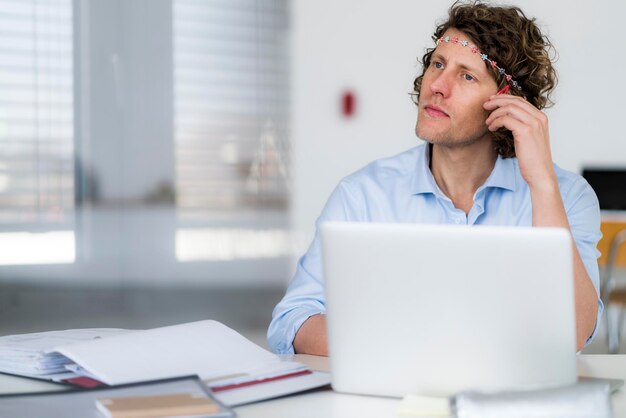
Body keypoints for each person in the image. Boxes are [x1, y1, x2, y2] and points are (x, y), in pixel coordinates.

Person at [268, 0, 602, 355]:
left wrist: (542, 183)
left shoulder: (566, 196)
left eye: (466, 75)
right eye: (437, 64)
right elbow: (293, 320)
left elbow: (574, 333)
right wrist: (415, 350)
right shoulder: (362, 194)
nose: (438, 86)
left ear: (507, 102)